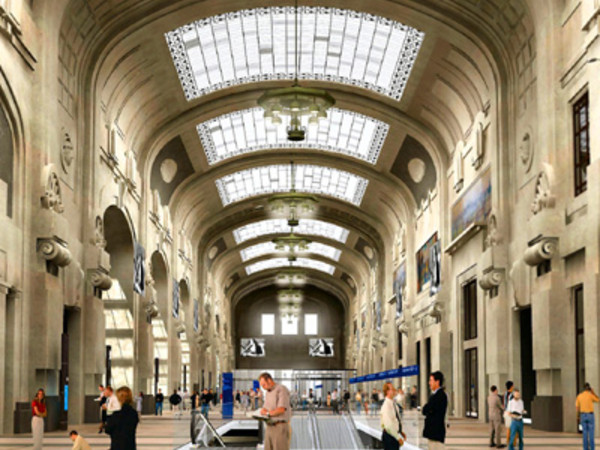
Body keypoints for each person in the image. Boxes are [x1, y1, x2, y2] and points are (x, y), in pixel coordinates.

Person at [259, 372, 291, 450]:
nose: (263, 387)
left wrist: (267, 413)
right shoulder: (267, 392)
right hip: (269, 427)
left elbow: (281, 409)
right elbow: (265, 407)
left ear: (269, 380)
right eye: (262, 386)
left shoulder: (281, 389)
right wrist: (263, 411)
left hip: (279, 426)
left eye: (264, 385)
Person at [422, 371, 448, 450]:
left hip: (436, 433)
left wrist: (427, 409)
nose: (429, 383)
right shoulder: (435, 395)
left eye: (431, 380)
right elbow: (425, 410)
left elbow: (427, 409)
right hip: (433, 433)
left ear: (437, 382)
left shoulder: (440, 396)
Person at [381, 382, 407, 450]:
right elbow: (388, 426)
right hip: (390, 437)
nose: (394, 390)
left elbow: (395, 419)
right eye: (392, 389)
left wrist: (400, 431)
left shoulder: (394, 404)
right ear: (387, 391)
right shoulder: (386, 406)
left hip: (394, 435)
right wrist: (398, 438)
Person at [576, 382, 599, 450]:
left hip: (583, 415)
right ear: (589, 388)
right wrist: (593, 392)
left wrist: (578, 417)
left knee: (585, 434)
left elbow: (577, 407)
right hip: (590, 415)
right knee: (591, 433)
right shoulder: (590, 395)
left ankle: (585, 448)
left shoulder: (579, 396)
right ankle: (592, 448)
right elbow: (598, 399)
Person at [503, 381, 515, 446]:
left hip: (505, 412)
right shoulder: (511, 395)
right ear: (511, 386)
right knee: (512, 428)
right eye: (513, 386)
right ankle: (511, 442)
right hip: (510, 412)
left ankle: (508, 441)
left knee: (508, 428)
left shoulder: (505, 394)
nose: (513, 387)